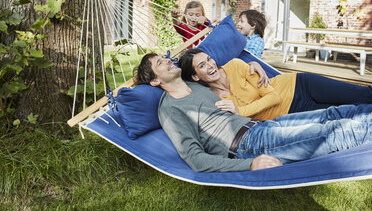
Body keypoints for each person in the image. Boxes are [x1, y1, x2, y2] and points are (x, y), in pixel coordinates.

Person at [134, 52, 372, 172]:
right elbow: (195, 159)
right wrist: (248, 165)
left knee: (333, 114)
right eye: (159, 63)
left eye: (165, 57)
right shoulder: (170, 109)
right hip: (248, 145)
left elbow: (217, 62)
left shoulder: (196, 84)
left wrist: (253, 64)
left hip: (263, 125)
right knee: (328, 133)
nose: (167, 60)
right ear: (155, 82)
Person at [179, 48, 372, 120]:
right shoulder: (215, 100)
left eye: (209, 59)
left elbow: (273, 96)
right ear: (196, 77)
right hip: (293, 112)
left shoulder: (236, 66)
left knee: (361, 94)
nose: (211, 65)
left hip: (299, 84)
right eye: (202, 66)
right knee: (352, 112)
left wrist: (241, 111)